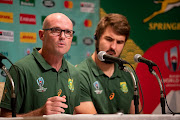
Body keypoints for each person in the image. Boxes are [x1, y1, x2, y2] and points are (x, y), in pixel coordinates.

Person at [0, 13, 80, 117]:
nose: (62, 37)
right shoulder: (20, 70)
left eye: (68, 32)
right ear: (42, 35)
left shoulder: (74, 72)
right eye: (56, 30)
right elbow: (5, 117)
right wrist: (39, 113)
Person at [75, 13, 142, 114]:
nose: (113, 47)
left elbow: (138, 116)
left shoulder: (129, 74)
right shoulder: (80, 74)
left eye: (119, 42)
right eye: (109, 39)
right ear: (96, 37)